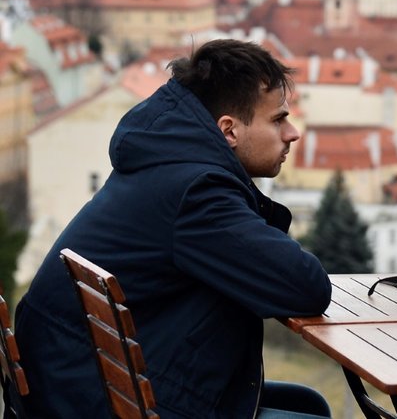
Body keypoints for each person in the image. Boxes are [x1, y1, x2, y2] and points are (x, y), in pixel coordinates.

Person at [14, 39, 333, 418]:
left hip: (76, 381)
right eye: (278, 119)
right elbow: (305, 286)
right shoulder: (196, 192)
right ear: (228, 131)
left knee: (307, 403)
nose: (292, 133)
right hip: (97, 397)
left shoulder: (167, 161)